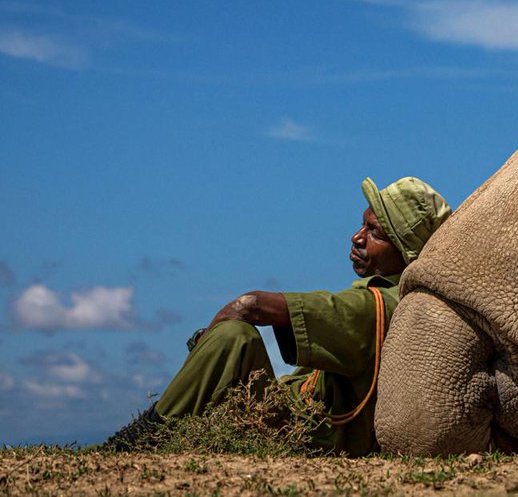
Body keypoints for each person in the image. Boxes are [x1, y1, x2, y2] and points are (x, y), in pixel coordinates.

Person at [103, 176, 452, 456]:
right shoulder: (394, 299)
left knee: (234, 337)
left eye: (375, 233)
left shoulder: (382, 305)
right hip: (294, 417)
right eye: (362, 226)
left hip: (308, 434)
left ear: (405, 252)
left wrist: (219, 333)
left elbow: (253, 305)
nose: (357, 237)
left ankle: (138, 441)